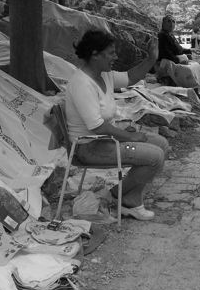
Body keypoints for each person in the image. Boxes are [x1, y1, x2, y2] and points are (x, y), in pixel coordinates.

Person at [65, 30, 169, 221]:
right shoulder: (82, 83)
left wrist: (151, 58)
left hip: (106, 141)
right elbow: (96, 126)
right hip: (88, 147)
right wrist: (129, 137)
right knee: (155, 157)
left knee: (161, 143)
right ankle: (118, 197)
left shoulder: (104, 75)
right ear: (95, 54)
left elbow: (130, 77)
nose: (116, 57)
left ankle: (128, 198)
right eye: (111, 53)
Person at [156, 14, 200, 102]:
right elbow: (164, 52)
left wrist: (190, 50)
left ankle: (196, 91)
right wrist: (178, 59)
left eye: (173, 21)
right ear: (163, 23)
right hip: (166, 61)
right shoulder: (162, 35)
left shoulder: (170, 35)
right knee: (188, 69)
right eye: (169, 21)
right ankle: (194, 93)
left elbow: (179, 48)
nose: (171, 24)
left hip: (174, 59)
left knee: (196, 65)